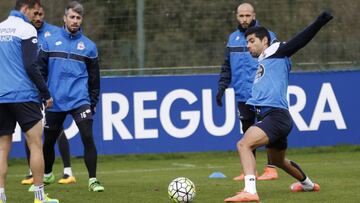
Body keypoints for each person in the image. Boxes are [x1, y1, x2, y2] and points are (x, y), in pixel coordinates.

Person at [224, 11, 333, 202]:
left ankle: (250, 191)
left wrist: (319, 22)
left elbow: (299, 41)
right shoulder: (265, 59)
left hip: (275, 117)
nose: (247, 45)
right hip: (273, 118)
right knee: (277, 161)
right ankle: (308, 184)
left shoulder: (276, 50)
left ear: (264, 40)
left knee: (244, 144)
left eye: (251, 41)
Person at [37, 1, 104, 192]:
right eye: (72, 17)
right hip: (54, 101)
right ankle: (48, 172)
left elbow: (94, 79)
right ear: (64, 18)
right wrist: (43, 94)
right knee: (48, 141)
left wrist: (92, 102)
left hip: (79, 100)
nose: (75, 21)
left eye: (78, 17)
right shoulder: (49, 41)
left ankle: (93, 180)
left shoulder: (90, 47)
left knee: (87, 137)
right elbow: (40, 71)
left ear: (81, 20)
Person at [0, 0, 59, 203]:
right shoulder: (26, 29)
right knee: (35, 144)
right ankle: (39, 197)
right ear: (25, 8)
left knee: (2, 148)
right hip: (24, 95)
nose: (34, 17)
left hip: (1, 96)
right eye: (33, 12)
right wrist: (45, 93)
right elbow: (31, 65)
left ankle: (0, 196)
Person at [216, 2, 278, 181]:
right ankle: (250, 171)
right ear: (237, 16)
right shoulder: (232, 38)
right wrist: (221, 87)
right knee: (248, 132)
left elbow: (278, 61)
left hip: (263, 93)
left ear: (254, 15)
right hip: (242, 95)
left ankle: (271, 168)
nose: (244, 19)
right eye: (241, 16)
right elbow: (227, 66)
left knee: (268, 130)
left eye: (248, 16)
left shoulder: (267, 36)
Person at [22, 5, 76, 186]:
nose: (38, 17)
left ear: (44, 14)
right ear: (29, 14)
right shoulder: (23, 32)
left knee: (56, 129)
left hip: (50, 89)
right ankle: (32, 172)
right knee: (30, 130)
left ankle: (68, 172)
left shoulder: (53, 33)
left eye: (40, 14)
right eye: (34, 14)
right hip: (28, 89)